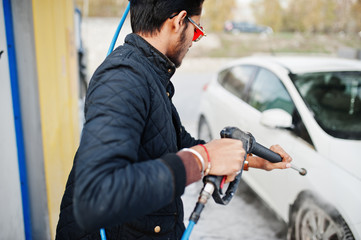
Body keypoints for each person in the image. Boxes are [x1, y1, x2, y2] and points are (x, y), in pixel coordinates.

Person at [56, 0, 292, 239]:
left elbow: (176, 144)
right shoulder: (123, 78)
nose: (193, 41)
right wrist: (203, 159)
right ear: (179, 21)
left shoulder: (148, 74)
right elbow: (95, 197)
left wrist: (249, 161)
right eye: (197, 30)